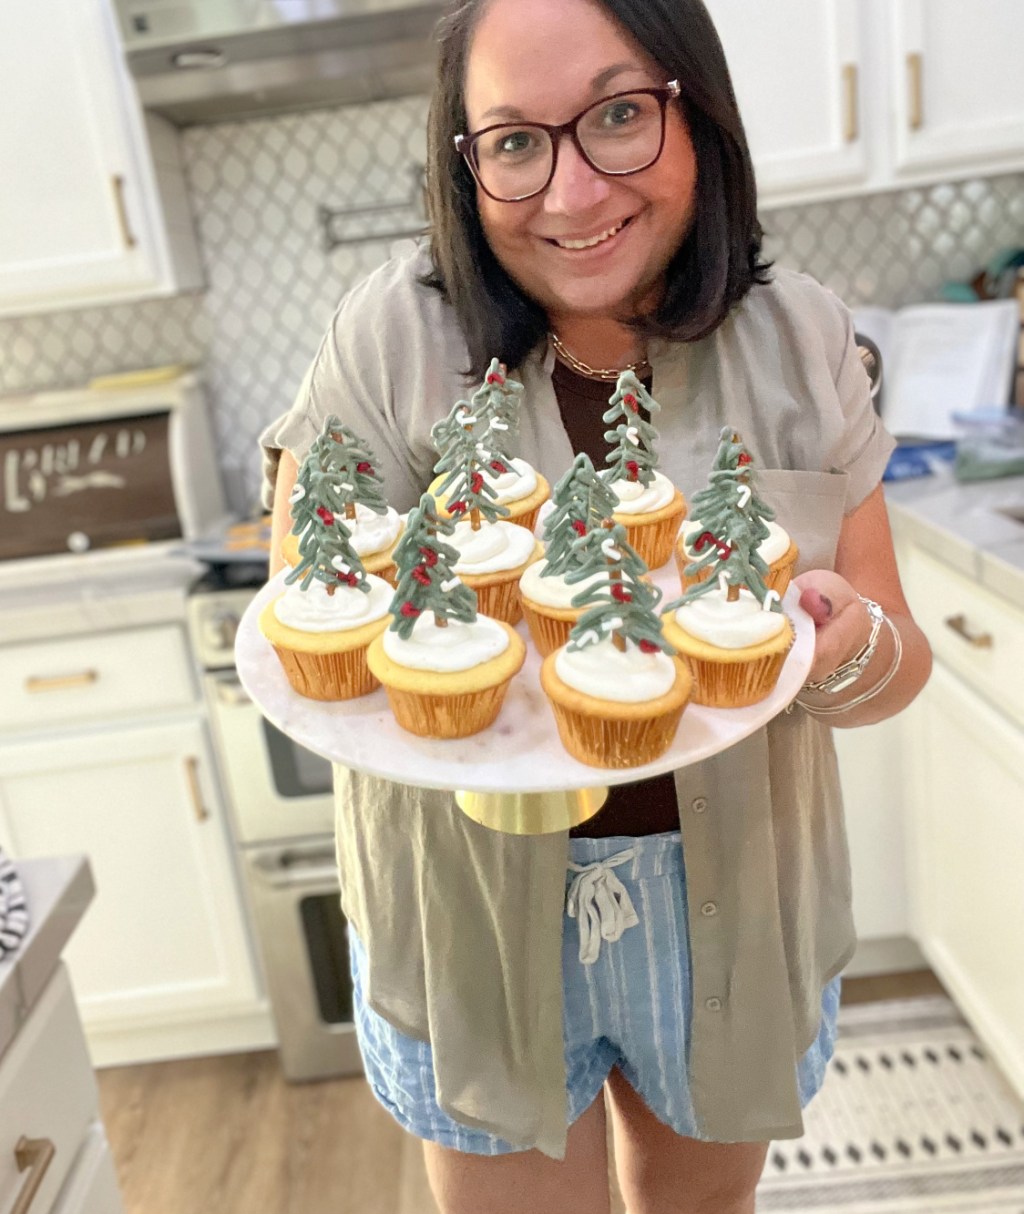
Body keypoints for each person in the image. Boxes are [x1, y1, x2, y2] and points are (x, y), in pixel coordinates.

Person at [260, 0, 932, 1209]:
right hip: (466, 901)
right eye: (514, 141)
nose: (570, 193)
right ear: (462, 162)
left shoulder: (802, 338)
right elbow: (305, 603)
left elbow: (891, 661)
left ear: (698, 114)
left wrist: (840, 643)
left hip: (735, 899)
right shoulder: (387, 338)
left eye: (620, 114)